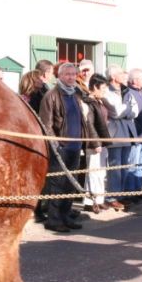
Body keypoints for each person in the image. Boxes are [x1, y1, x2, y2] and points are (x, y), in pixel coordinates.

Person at [38, 62, 97, 232]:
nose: (71, 77)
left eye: (73, 74)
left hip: (75, 146)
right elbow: (46, 124)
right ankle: (54, 219)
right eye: (67, 74)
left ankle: (65, 215)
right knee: (58, 184)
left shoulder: (76, 93)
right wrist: (55, 145)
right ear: (60, 76)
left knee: (70, 184)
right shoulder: (52, 96)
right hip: (61, 148)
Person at [102, 65, 136, 209]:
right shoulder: (106, 91)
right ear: (114, 76)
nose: (125, 75)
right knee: (115, 168)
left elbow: (136, 110)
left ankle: (120, 194)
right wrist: (127, 109)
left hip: (127, 132)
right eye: (122, 73)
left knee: (125, 166)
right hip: (115, 133)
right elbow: (115, 111)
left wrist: (126, 109)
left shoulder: (127, 90)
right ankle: (112, 197)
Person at [84, 73, 111, 213]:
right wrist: (96, 143)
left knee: (101, 172)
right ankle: (90, 201)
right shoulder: (88, 102)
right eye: (103, 88)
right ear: (95, 87)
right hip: (95, 143)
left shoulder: (98, 101)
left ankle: (99, 199)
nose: (105, 91)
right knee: (93, 172)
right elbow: (90, 124)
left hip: (102, 141)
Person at [127, 68, 142, 199]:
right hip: (136, 137)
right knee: (133, 166)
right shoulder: (129, 93)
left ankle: (138, 190)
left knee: (141, 166)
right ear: (135, 80)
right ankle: (131, 193)